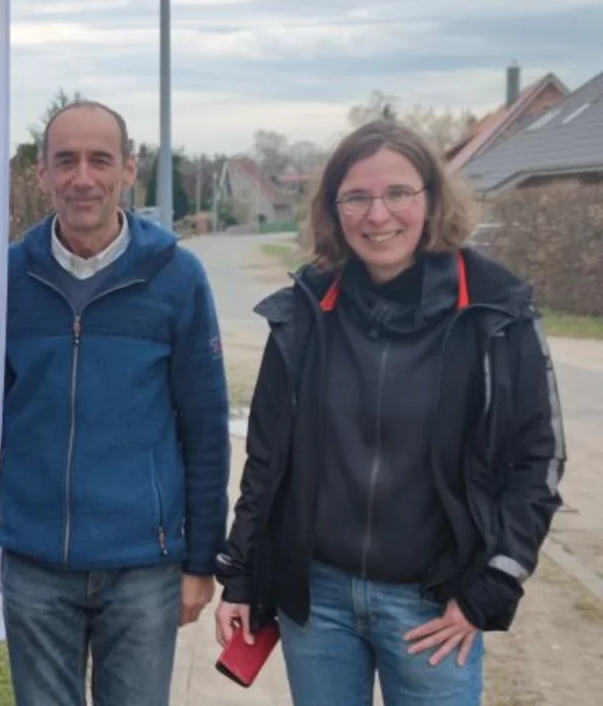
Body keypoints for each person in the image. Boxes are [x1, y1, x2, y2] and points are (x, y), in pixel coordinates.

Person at [214, 121, 567, 705]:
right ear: (334, 210)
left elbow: (539, 458)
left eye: (398, 193)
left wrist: (495, 582)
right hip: (317, 603)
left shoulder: (496, 310)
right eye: (356, 197)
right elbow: (268, 459)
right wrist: (242, 576)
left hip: (432, 604)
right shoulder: (306, 311)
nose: (378, 215)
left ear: (431, 198)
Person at [0, 101, 231, 706]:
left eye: (100, 160)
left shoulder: (178, 277)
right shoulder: (6, 279)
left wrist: (201, 560)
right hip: (34, 561)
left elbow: (205, 429)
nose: (83, 178)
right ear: (41, 173)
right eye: (65, 160)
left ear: (129, 169)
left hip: (143, 566)